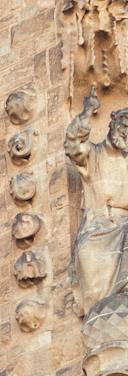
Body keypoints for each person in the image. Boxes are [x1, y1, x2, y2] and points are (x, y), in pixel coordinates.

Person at [66, 91, 128, 315]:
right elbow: (73, 145)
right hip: (97, 226)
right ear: (112, 126)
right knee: (88, 259)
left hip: (124, 226)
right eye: (123, 126)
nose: (125, 133)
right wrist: (86, 112)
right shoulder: (94, 154)